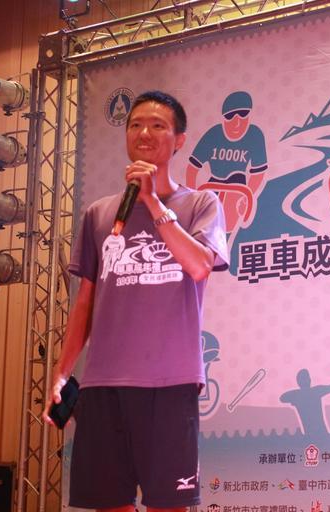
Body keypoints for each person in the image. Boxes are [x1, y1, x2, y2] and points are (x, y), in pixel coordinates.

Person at [44, 90, 229, 512]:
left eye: (158, 125)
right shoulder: (99, 214)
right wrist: (62, 372)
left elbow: (200, 266)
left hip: (169, 383)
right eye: (135, 125)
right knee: (109, 503)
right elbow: (85, 302)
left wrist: (152, 202)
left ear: (179, 140)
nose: (144, 133)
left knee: (168, 504)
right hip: (103, 385)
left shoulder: (200, 204)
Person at [185, 91, 268, 234]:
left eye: (243, 115)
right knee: (206, 225)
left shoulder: (254, 134)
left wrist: (245, 197)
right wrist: (194, 197)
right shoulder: (214, 134)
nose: (237, 122)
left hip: (238, 184)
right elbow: (192, 169)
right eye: (230, 116)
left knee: (228, 224)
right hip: (213, 183)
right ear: (224, 119)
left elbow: (258, 173)